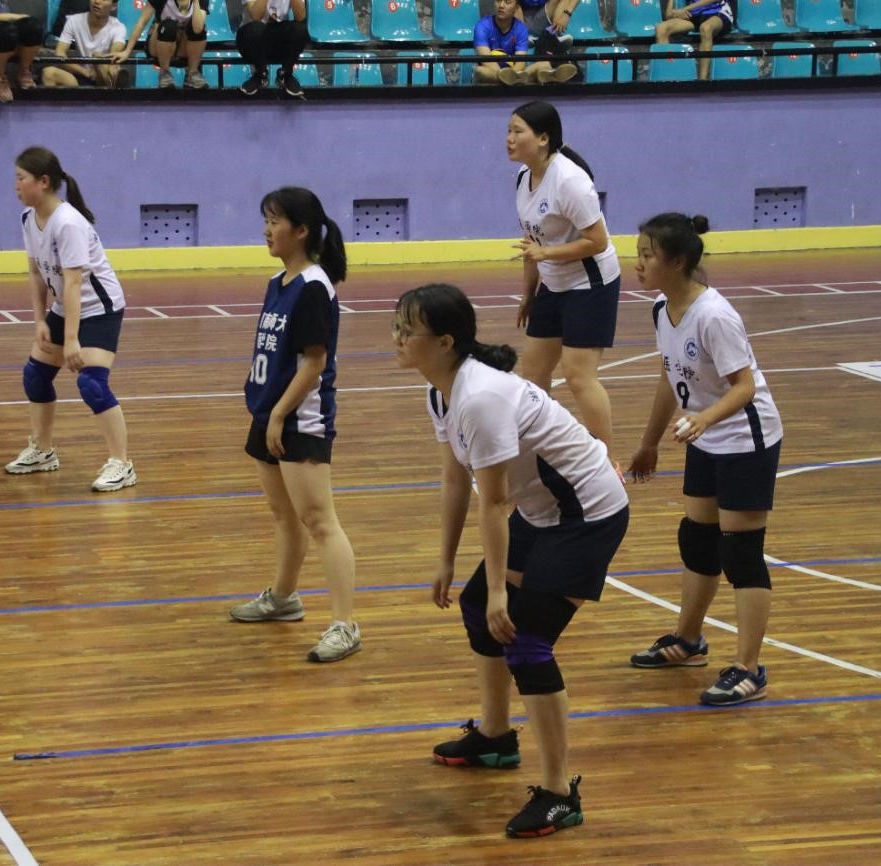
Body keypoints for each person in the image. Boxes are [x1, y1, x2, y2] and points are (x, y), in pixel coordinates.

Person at [395, 283, 629, 838]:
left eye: (409, 330)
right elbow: (456, 479)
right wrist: (447, 560)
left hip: (586, 514)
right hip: (542, 512)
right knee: (477, 607)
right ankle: (496, 737)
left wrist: (503, 589)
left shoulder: (481, 397)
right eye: (397, 328)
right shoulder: (442, 392)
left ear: (445, 341)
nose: (398, 338)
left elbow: (495, 502)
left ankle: (559, 793)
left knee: (526, 641)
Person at [626, 213, 782, 707]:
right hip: (707, 435)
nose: (638, 264)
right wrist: (649, 442)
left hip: (745, 439)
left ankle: (749, 669)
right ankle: (688, 641)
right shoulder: (661, 308)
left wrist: (704, 419)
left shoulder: (714, 316)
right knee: (697, 541)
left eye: (648, 256)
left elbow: (745, 387)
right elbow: (668, 375)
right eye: (638, 254)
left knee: (740, 553)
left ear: (677, 262)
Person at [229, 187, 361, 664]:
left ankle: (345, 624)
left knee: (320, 522)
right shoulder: (278, 282)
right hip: (269, 413)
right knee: (284, 516)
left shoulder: (313, 287)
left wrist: (281, 414)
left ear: (301, 230)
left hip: (300, 419)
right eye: (265, 220)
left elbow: (313, 363)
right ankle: (283, 599)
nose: (267, 230)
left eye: (275, 221)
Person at [6, 147, 137, 494]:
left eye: (21, 178)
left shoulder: (68, 223)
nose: (15, 185)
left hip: (100, 309)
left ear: (43, 182)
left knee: (92, 384)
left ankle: (122, 464)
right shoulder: (29, 219)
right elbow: (36, 273)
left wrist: (72, 340)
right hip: (66, 307)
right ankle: (43, 451)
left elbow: (75, 283)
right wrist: (40, 321)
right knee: (36, 375)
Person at [509, 101, 620, 452]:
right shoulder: (523, 178)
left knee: (578, 375)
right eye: (508, 131)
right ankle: (543, 448)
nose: (509, 139)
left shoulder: (570, 181)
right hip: (553, 283)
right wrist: (528, 294)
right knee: (534, 372)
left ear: (543, 138)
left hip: (590, 284)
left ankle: (606, 461)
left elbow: (597, 241)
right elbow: (532, 241)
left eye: (517, 131)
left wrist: (547, 254)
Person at [114, 0, 210, 89]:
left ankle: (192, 73)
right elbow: (141, 22)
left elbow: (198, 29)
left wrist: (196, 2)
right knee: (169, 26)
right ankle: (165, 73)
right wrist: (127, 51)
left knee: (200, 28)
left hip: (183, 47)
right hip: (159, 45)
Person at [41, 0, 129, 89]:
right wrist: (86, 72)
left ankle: (113, 88)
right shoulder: (73, 21)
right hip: (82, 75)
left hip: (105, 74)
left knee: (98, 57)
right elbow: (60, 53)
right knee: (49, 73)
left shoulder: (118, 27)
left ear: (113, 6)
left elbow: (116, 50)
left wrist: (99, 62)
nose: (97, 1)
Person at [236, 0, 310, 98]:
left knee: (300, 30)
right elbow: (256, 16)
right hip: (250, 39)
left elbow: (300, 17)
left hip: (276, 35)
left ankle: (285, 74)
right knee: (256, 29)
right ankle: (260, 74)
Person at [655, 0, 735, 80]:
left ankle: (703, 80)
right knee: (661, 28)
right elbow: (668, 15)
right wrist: (677, 12)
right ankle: (665, 77)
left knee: (706, 28)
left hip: (718, 14)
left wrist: (685, 9)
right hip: (696, 16)